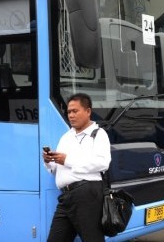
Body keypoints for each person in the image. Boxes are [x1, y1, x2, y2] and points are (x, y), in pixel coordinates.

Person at [43, 93, 111, 241]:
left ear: (88, 111)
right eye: (68, 112)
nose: (71, 115)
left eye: (75, 111)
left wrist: (67, 160)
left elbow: (103, 163)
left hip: (86, 193)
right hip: (66, 197)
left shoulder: (99, 134)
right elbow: (55, 169)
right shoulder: (66, 136)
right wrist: (49, 161)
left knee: (92, 238)